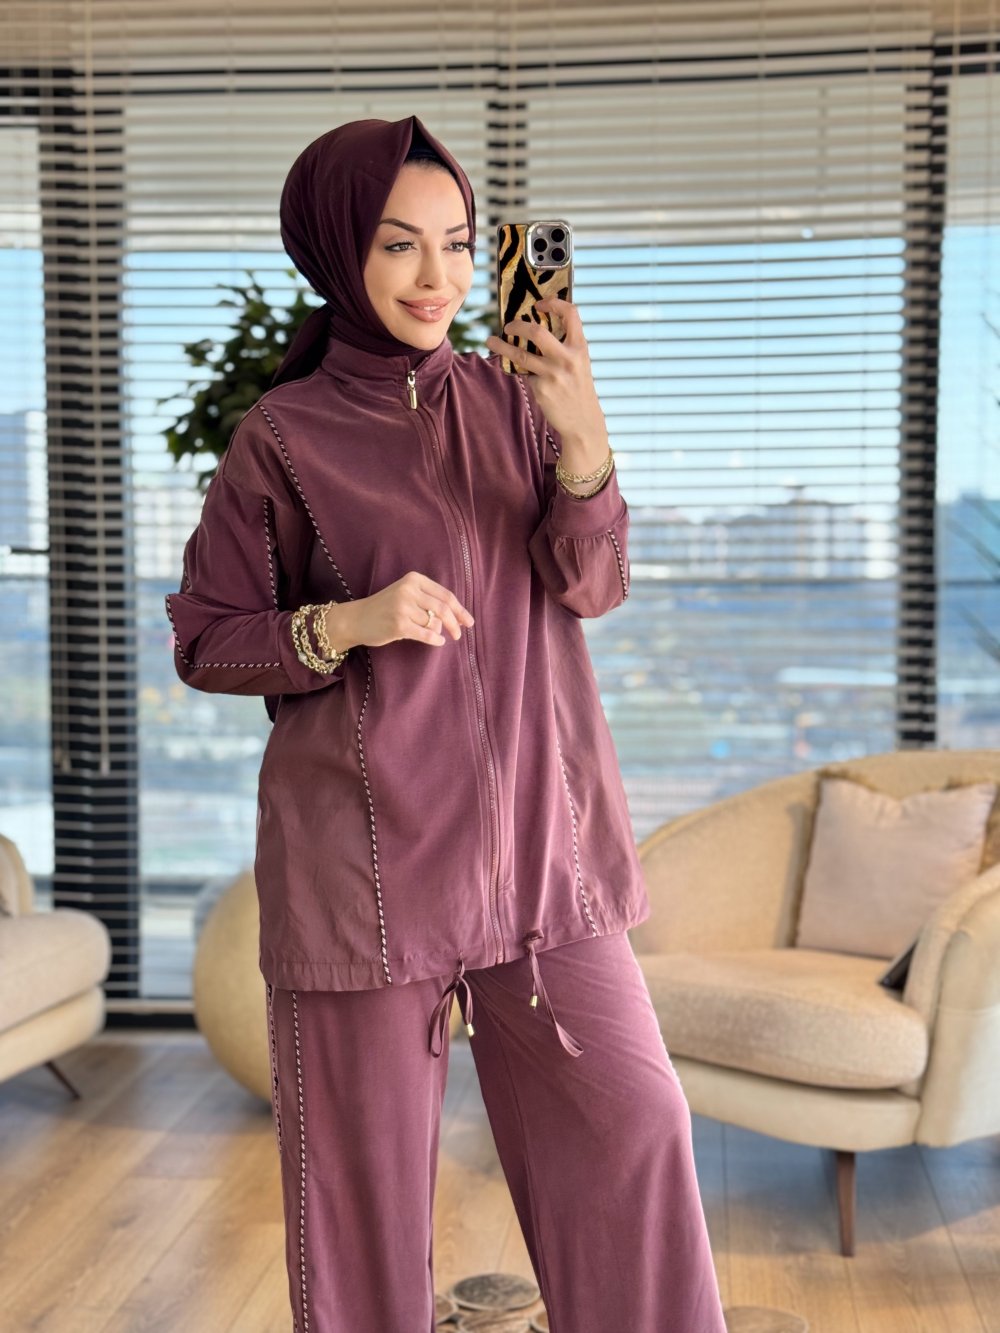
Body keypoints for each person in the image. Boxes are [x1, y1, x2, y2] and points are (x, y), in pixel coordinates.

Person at [165, 113, 728, 1333]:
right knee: (361, 1221)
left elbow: (591, 586)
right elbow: (207, 639)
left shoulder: (518, 404)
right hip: (363, 877)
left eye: (460, 243)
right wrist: (349, 622)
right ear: (337, 251)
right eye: (399, 244)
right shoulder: (282, 439)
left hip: (540, 862)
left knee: (637, 1130)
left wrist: (583, 435)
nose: (439, 277)